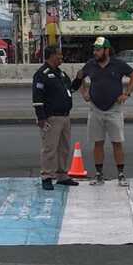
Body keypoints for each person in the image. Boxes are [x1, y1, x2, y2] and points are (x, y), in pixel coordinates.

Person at [72, 37, 133, 186]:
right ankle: (98, 174)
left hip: (114, 109)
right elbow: (79, 76)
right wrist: (84, 92)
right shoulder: (90, 65)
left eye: (98, 49)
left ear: (106, 50)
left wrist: (126, 94)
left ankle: (121, 174)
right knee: (98, 143)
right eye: (94, 49)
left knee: (117, 142)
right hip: (95, 109)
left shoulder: (118, 64)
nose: (95, 52)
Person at [32, 46, 77, 191]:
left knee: (64, 148)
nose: (61, 58)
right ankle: (47, 176)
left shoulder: (61, 74)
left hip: (65, 117)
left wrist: (80, 78)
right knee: (49, 149)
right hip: (51, 117)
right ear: (51, 56)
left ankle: (62, 175)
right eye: (59, 55)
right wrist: (41, 118)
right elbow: (37, 98)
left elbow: (71, 89)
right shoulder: (41, 74)